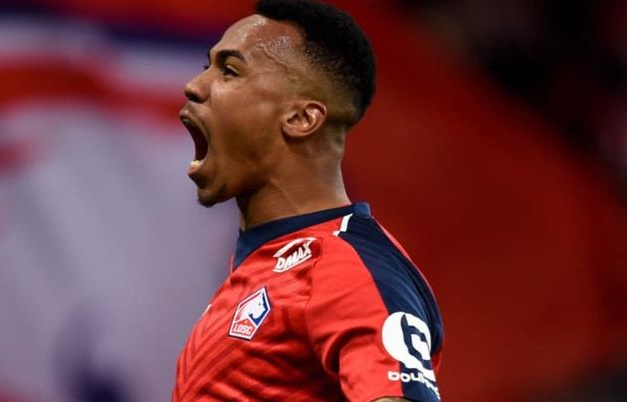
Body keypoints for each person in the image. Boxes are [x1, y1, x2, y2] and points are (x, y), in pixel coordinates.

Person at [172, 0, 444, 401]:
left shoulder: (343, 265)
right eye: (206, 65)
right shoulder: (264, 270)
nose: (194, 86)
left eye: (229, 70)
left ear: (301, 119)